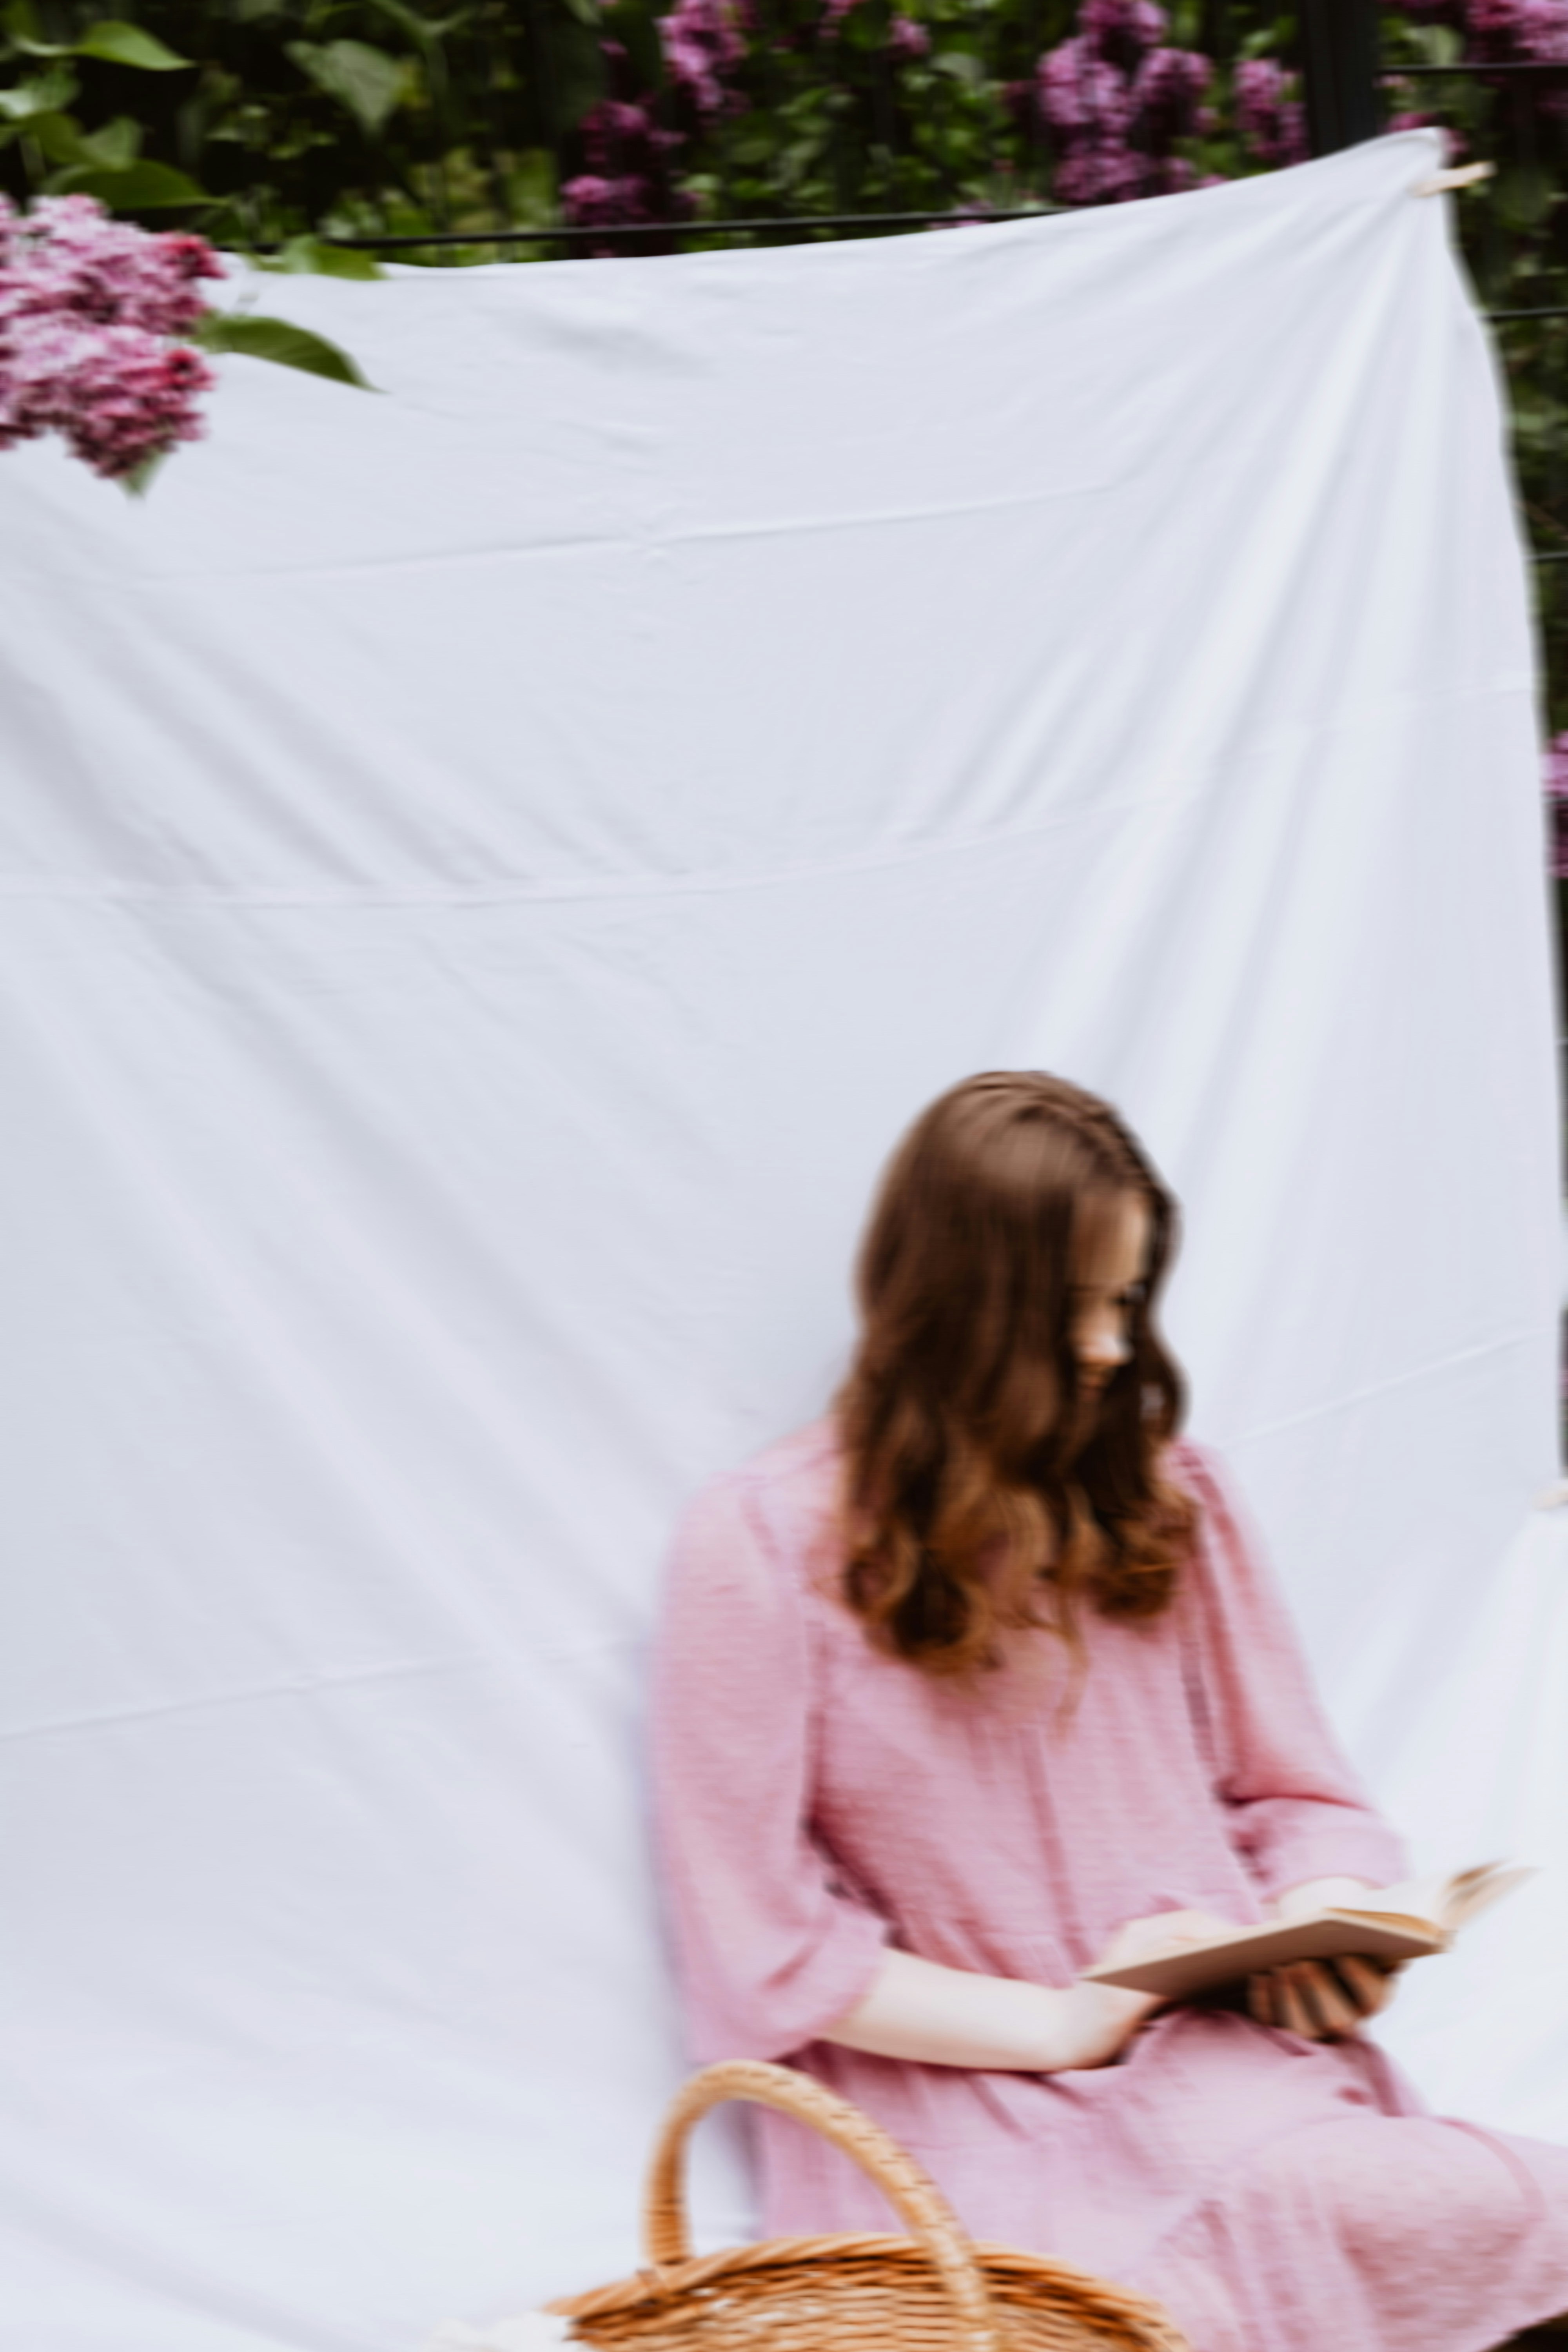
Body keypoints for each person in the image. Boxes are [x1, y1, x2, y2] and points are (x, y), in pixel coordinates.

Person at [650, 1070, 1568, 2352]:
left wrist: (1314, 1927)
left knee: (1517, 2220)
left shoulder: (1167, 1498)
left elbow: (1302, 1798)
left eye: (1127, 1302)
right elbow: (765, 1949)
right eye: (1065, 1311)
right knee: (1127, 2323)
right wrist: (1057, 2024)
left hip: (1227, 2079)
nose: (1106, 1348)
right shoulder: (761, 1544)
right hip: (955, 2121)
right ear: (951, 1309)